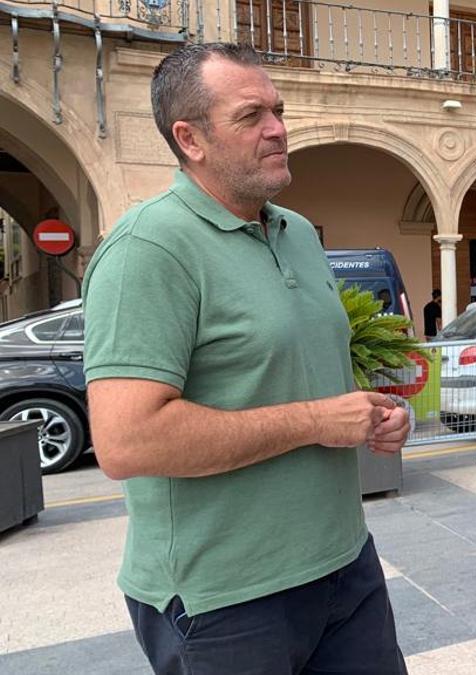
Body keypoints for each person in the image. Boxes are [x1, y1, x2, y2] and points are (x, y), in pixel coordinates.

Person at [83, 43, 410, 675]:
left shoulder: (296, 234)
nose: (278, 129)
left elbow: (292, 373)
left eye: (279, 111)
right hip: (225, 603)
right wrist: (315, 421)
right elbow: (127, 441)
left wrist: (373, 417)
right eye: (251, 115)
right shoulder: (148, 248)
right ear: (191, 138)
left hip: (345, 569)